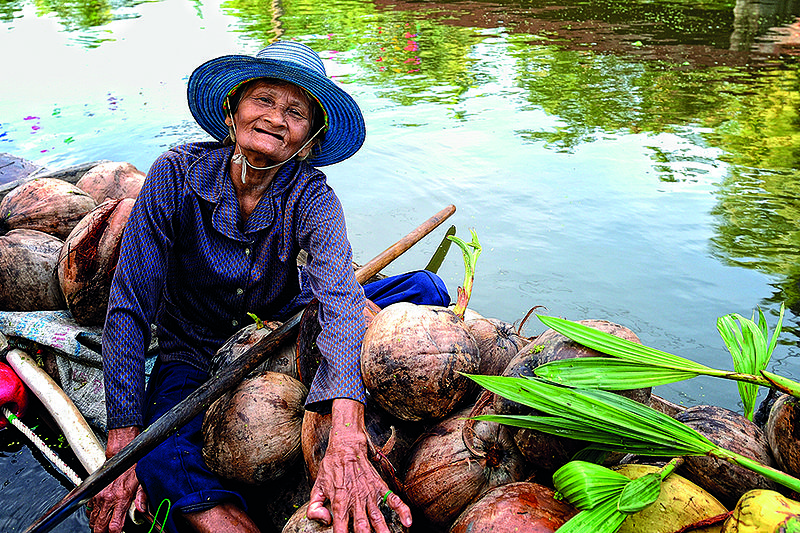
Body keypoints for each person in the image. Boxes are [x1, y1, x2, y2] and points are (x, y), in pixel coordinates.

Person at [88, 41, 450, 533]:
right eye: (263, 100)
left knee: (426, 289)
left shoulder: (312, 195)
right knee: (161, 456)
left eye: (296, 112)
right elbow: (129, 308)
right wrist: (122, 441)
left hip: (286, 329)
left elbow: (339, 301)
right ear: (232, 109)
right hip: (194, 350)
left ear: (309, 138)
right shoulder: (175, 175)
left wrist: (346, 428)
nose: (277, 118)